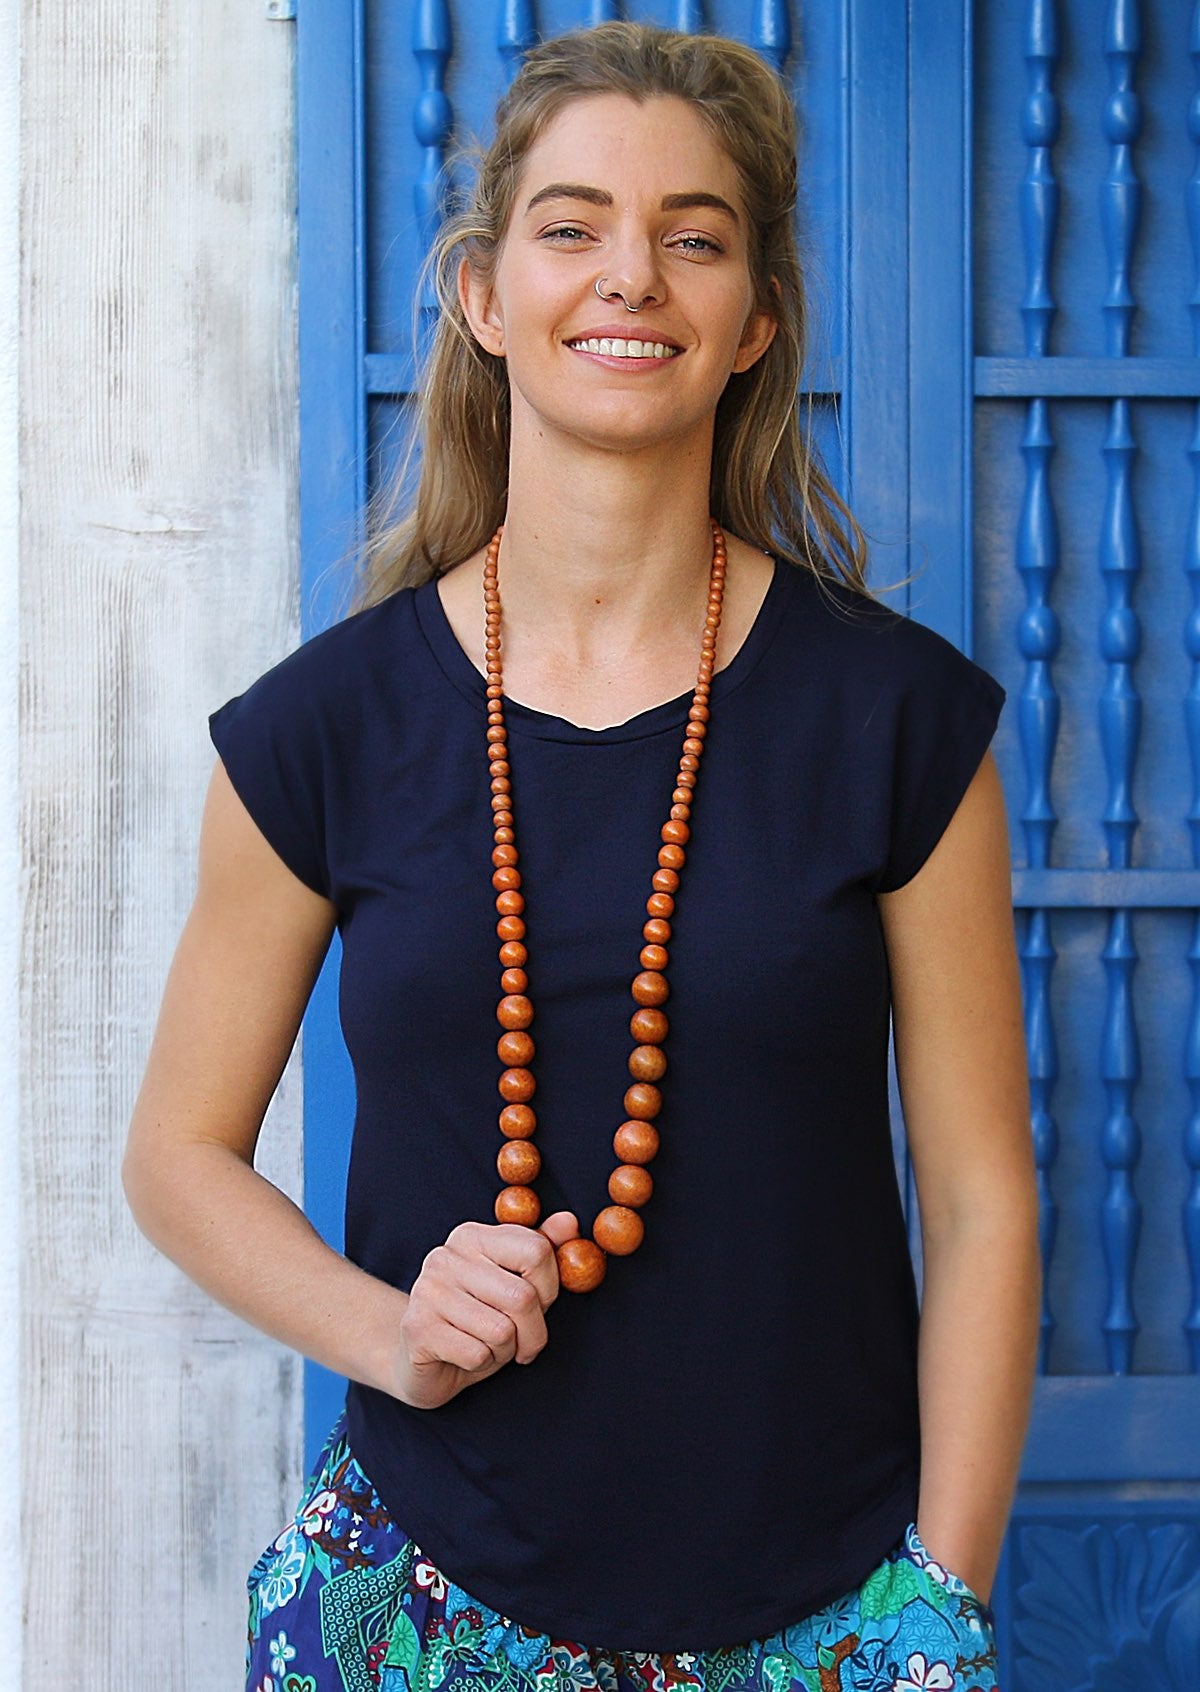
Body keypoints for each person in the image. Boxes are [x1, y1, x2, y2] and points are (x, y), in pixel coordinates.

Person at [124, 22, 1040, 1692]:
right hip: (412, 1606)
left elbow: (983, 1202)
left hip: (832, 1616)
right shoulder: (320, 730)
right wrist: (387, 1332)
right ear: (484, 296)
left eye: (695, 235)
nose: (632, 274)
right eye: (572, 226)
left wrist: (939, 1609)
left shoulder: (901, 725)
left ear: (755, 319)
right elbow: (177, 1155)